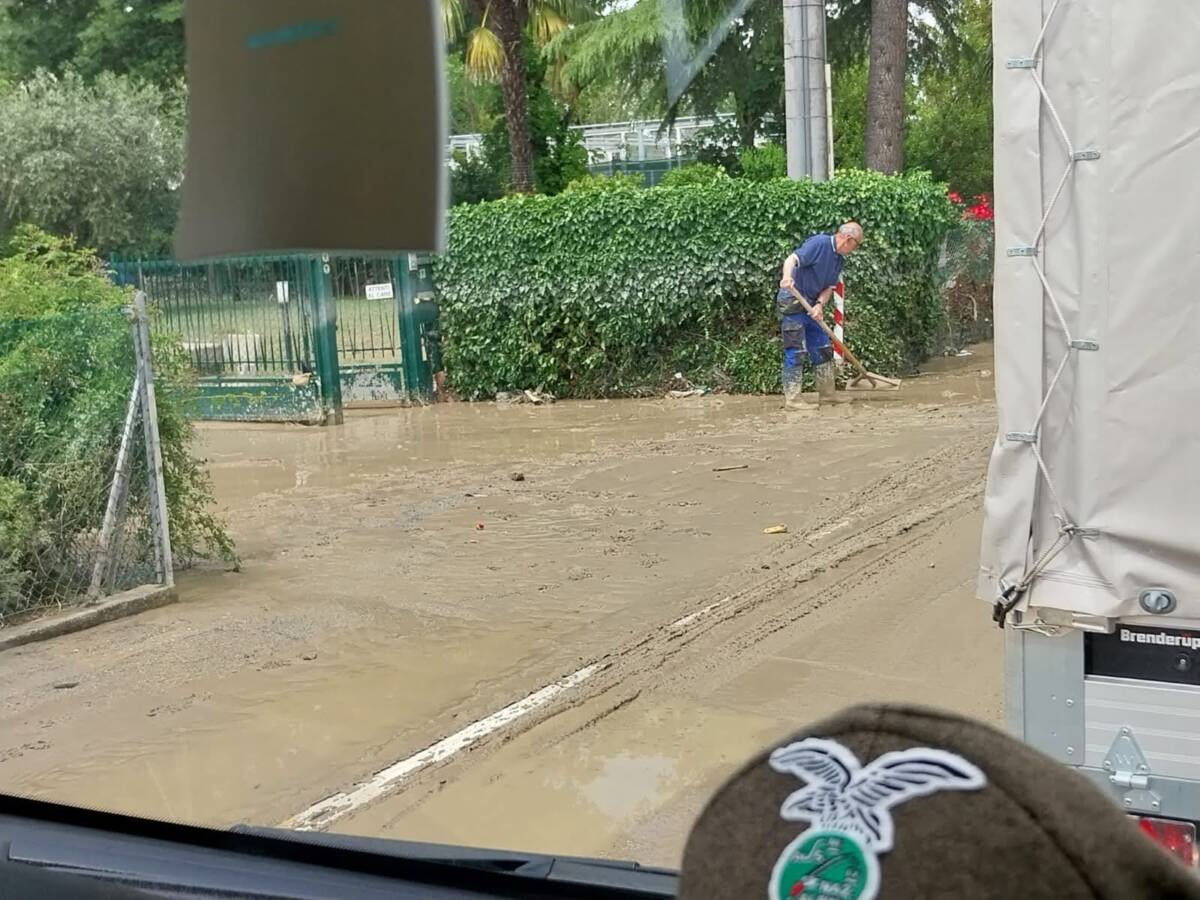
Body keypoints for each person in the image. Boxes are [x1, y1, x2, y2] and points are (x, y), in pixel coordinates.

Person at [776, 222, 863, 410]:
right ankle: (793, 400)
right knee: (796, 350)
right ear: (848, 240)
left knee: (823, 348)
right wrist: (787, 277)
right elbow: (791, 259)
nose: (854, 250)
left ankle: (827, 395)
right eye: (855, 246)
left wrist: (819, 305)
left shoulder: (838, 260)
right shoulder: (819, 243)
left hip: (812, 304)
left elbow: (828, 288)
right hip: (792, 299)